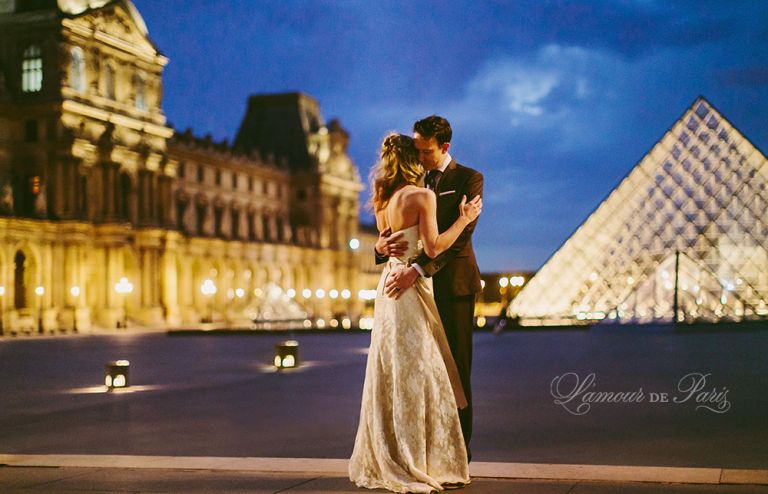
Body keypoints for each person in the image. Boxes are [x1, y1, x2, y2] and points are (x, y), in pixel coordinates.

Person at [349, 133, 482, 493]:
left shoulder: (382, 199)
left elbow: (388, 242)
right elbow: (436, 245)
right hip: (410, 286)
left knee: (390, 367)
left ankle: (391, 451)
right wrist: (464, 218)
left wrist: (381, 245)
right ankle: (424, 457)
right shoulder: (422, 196)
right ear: (413, 160)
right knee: (423, 370)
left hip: (388, 285)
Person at [375, 116, 483, 461]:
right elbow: (393, 237)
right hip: (409, 286)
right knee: (420, 371)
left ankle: (457, 450)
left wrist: (417, 269)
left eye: (426, 151)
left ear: (444, 147)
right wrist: (381, 248)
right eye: (416, 151)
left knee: (454, 369)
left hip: (450, 286)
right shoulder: (412, 186)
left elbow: (457, 241)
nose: (420, 157)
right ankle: (425, 450)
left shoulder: (469, 178)